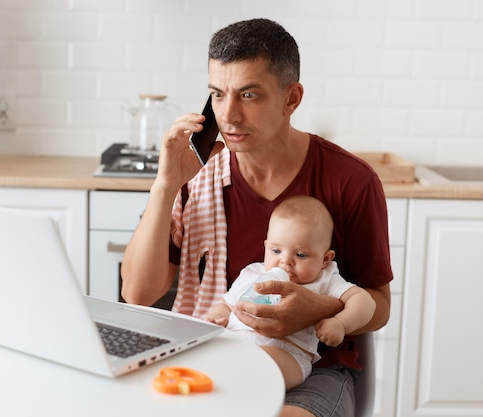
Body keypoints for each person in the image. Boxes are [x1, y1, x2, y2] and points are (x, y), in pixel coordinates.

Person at [121, 18, 392, 417]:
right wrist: (165, 186)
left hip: (314, 370)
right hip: (215, 353)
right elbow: (137, 295)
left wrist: (317, 311)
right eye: (217, 94)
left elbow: (380, 306)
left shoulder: (350, 181)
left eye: (248, 95)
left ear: (291, 98)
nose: (228, 115)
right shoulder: (196, 175)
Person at [205, 196, 376, 391]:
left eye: (301, 255)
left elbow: (364, 301)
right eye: (276, 250)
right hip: (236, 347)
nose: (285, 262)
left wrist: (341, 323)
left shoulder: (324, 279)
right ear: (266, 246)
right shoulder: (253, 273)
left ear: (325, 259)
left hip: (287, 356)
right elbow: (227, 305)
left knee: (263, 362)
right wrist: (215, 318)